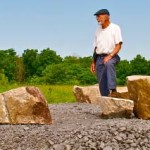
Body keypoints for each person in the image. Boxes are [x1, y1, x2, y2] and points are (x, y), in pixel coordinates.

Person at [90, 9, 123, 96]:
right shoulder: (98, 30)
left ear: (107, 16)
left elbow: (118, 45)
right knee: (101, 79)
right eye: (96, 17)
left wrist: (110, 56)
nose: (97, 18)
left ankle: (113, 90)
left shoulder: (115, 28)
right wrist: (93, 62)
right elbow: (96, 47)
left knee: (109, 64)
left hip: (112, 55)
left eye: (99, 16)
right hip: (99, 57)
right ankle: (105, 98)